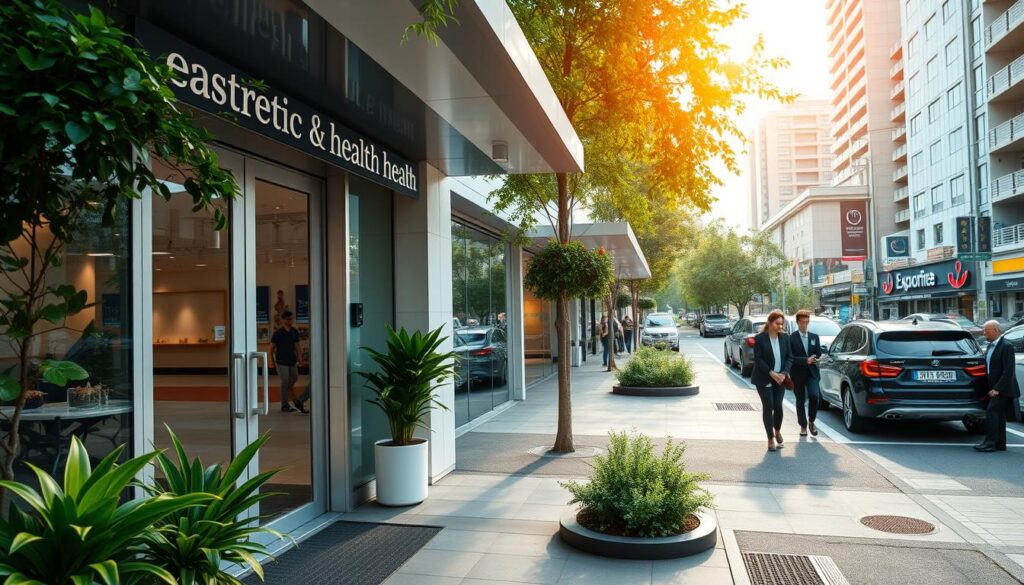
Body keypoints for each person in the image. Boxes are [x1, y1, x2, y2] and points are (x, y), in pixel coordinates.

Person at [975, 320, 1020, 452]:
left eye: (986, 330)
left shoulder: (1006, 346)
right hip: (993, 387)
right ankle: (1000, 444)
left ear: (995, 330)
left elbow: (1009, 370)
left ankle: (990, 443)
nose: (983, 333)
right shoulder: (990, 346)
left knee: (992, 412)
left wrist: (997, 389)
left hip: (1002, 388)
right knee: (999, 415)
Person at [752, 309, 793, 452]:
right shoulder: (760, 338)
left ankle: (777, 431)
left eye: (782, 324)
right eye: (777, 324)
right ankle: (770, 438)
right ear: (769, 323)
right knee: (768, 406)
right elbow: (758, 359)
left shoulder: (785, 338)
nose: (780, 327)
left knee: (778, 405)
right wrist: (771, 373)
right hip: (764, 378)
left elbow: (790, 357)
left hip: (780, 378)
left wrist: (783, 373)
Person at [789, 309, 822, 438]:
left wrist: (818, 357)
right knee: (800, 400)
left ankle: (811, 421)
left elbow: (818, 353)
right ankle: (803, 425)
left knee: (814, 396)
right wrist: (805, 360)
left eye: (806, 322)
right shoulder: (791, 338)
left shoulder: (814, 337)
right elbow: (790, 357)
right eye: (802, 322)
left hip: (812, 372)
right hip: (797, 373)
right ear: (797, 322)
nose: (804, 325)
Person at [269, 311, 308, 413]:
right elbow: (271, 348)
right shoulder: (278, 333)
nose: (291, 321)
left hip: (292, 360)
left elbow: (297, 346)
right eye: (288, 319)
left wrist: (300, 358)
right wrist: (271, 361)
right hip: (281, 361)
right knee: (285, 381)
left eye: (292, 319)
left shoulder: (294, 331)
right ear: (283, 320)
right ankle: (284, 405)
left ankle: (294, 399)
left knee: (294, 378)